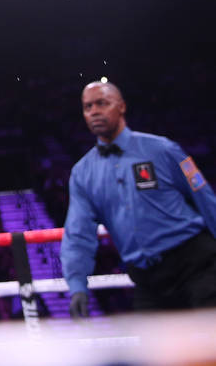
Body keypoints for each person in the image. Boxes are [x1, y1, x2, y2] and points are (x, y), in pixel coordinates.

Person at [61, 80, 216, 317]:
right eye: (88, 106)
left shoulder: (162, 149)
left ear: (121, 107)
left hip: (196, 266)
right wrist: (77, 286)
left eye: (102, 103)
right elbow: (78, 233)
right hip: (148, 281)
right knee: (152, 352)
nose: (94, 111)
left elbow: (205, 199)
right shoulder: (82, 174)